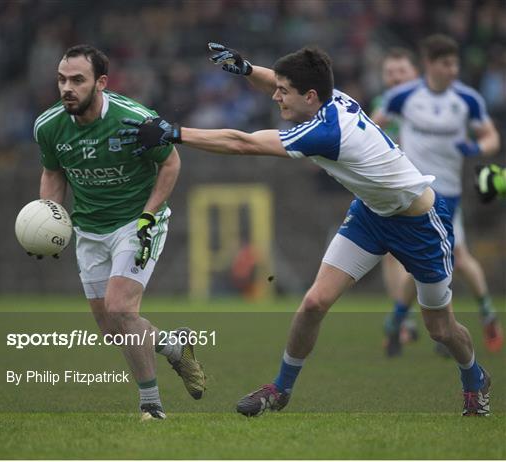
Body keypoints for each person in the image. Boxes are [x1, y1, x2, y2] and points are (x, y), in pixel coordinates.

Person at [119, 43, 491, 417]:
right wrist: (248, 69)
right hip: (371, 215)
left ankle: (475, 379)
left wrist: (175, 132)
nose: (276, 96)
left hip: (421, 224)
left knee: (441, 329)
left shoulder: (324, 133)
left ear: (310, 96)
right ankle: (280, 389)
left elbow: (243, 143)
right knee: (314, 303)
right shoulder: (330, 97)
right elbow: (279, 85)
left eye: (284, 92)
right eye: (276, 88)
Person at [32, 44, 205, 420]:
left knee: (122, 309)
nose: (67, 88)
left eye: (77, 80)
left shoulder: (134, 119)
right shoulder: (48, 127)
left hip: (137, 221)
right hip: (90, 228)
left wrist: (148, 214)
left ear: (101, 82)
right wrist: (53, 220)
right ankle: (176, 348)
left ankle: (152, 406)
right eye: (62, 79)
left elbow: (171, 163)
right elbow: (53, 173)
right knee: (111, 328)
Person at [374, 34, 503, 355]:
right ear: (430, 65)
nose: (453, 69)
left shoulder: (467, 99)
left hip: (449, 197)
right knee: (436, 261)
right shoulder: (402, 97)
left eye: (455, 62)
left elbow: (491, 138)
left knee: (450, 260)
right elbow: (372, 130)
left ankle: (404, 320)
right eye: (447, 63)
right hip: (412, 193)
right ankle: (447, 326)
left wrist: (476, 147)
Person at [370, 48, 421, 353]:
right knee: (390, 254)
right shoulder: (382, 104)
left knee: (446, 255)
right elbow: (370, 137)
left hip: (432, 187)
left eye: (401, 71)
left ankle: (439, 320)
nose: (395, 77)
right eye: (390, 72)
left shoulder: (429, 101)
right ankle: (405, 320)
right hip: (395, 189)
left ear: (414, 73)